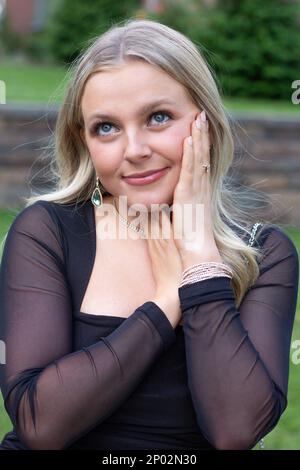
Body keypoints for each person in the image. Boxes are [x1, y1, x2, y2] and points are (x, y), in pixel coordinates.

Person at [0, 18, 299, 451]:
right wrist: (165, 302)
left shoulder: (265, 254)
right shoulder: (47, 233)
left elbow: (235, 430)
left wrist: (199, 260)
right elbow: (40, 424)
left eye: (158, 117)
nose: (135, 150)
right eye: (107, 127)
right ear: (83, 141)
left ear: (205, 123)